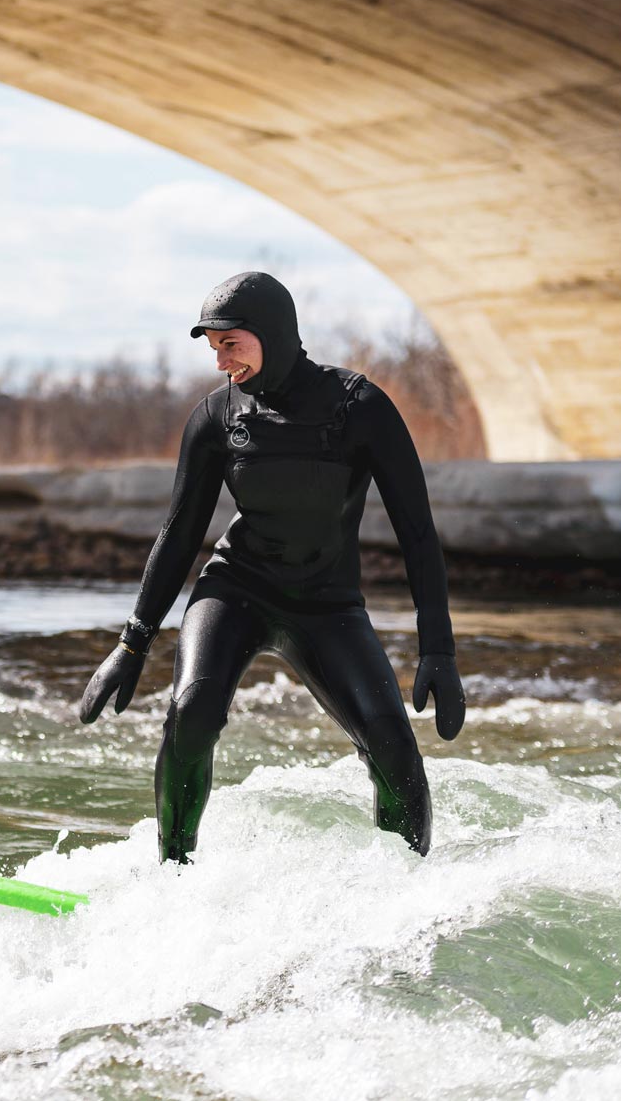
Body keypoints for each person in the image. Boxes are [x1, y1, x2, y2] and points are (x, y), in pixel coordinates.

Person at [78, 271, 464, 860]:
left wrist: (438, 648)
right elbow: (180, 533)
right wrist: (133, 643)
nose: (220, 361)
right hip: (235, 590)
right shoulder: (215, 417)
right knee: (192, 712)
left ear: (272, 334)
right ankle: (171, 875)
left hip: (326, 604)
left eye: (230, 344)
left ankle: (404, 895)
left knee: (393, 751)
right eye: (214, 348)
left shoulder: (359, 407)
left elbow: (416, 531)